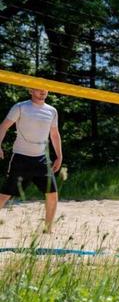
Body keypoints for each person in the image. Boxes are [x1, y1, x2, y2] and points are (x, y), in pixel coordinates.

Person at [0, 88, 62, 233]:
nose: (42, 92)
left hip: (42, 160)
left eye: (45, 89)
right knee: (4, 195)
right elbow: (3, 126)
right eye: (38, 89)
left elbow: (54, 134)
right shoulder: (20, 107)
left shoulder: (52, 111)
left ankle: (48, 230)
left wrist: (59, 156)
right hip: (21, 158)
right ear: (30, 90)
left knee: (52, 194)